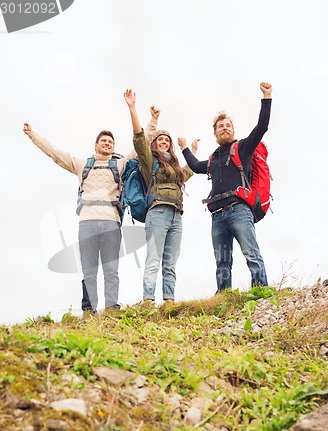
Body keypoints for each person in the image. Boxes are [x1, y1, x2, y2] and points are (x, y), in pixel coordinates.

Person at [23, 113, 159, 313]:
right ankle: (89, 310)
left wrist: (154, 120)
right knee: (89, 270)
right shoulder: (81, 165)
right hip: (86, 221)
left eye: (110, 141)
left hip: (111, 222)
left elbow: (142, 142)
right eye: (103, 141)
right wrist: (32, 134)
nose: (107, 143)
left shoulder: (119, 164)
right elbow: (54, 153)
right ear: (95, 146)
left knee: (111, 269)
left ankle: (112, 307)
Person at [178, 82, 272, 292]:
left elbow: (262, 127)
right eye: (221, 126)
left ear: (233, 129)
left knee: (251, 253)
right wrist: (185, 148)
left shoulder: (243, 148)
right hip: (217, 216)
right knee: (222, 262)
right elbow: (195, 166)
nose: (225, 128)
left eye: (228, 125)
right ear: (215, 133)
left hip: (239, 210)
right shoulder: (212, 159)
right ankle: (223, 297)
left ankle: (260, 292)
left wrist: (266, 98)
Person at [124, 89, 194, 303]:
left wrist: (190, 150)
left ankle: (169, 301)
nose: (163, 141)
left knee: (170, 262)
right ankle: (147, 300)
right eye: (159, 139)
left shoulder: (174, 168)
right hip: (157, 213)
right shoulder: (148, 161)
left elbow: (187, 173)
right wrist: (132, 107)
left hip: (176, 215)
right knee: (154, 259)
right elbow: (138, 138)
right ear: (154, 143)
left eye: (166, 140)